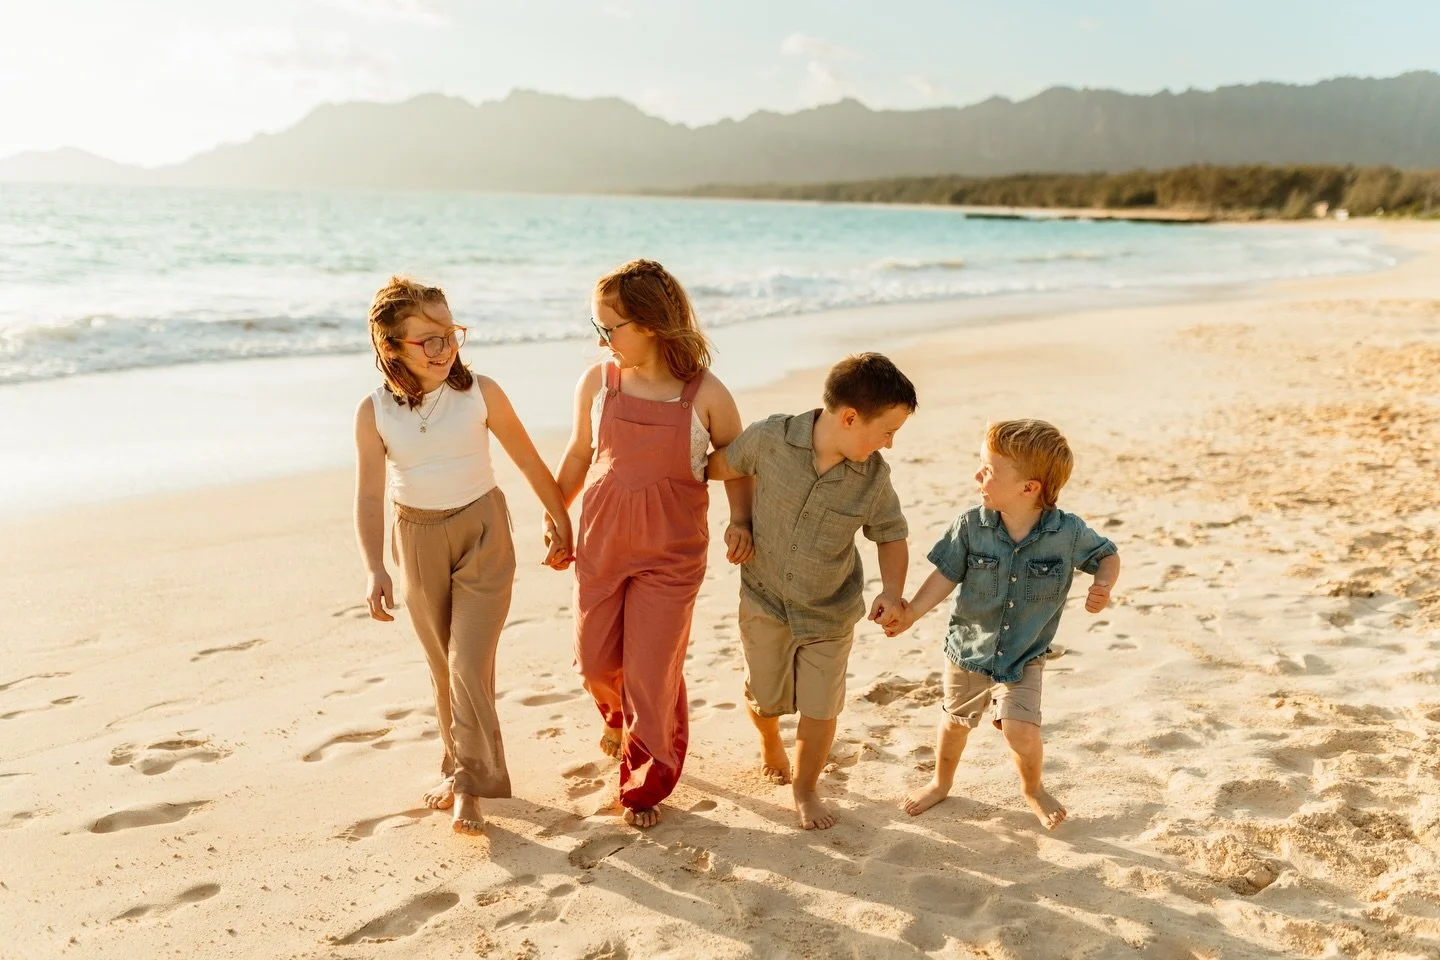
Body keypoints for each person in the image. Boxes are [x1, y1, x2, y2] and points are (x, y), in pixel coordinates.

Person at [353, 275, 573, 836]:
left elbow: (525, 459)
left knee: (467, 661)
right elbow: (369, 494)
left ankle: (470, 786)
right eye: (428, 339)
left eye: (451, 333)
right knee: (441, 665)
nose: (445, 348)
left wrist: (559, 515)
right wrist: (374, 565)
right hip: (416, 539)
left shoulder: (481, 392)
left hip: (483, 531)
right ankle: (455, 764)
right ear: (391, 347)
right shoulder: (374, 412)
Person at [553, 259, 748, 829]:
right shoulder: (598, 382)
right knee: (595, 660)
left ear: (651, 324)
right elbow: (577, 453)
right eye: (597, 328)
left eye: (609, 328)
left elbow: (738, 464)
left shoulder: (705, 394)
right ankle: (614, 716)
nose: (601, 340)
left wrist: (742, 522)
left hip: (672, 554)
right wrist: (555, 515)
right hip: (601, 544)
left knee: (651, 670)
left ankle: (645, 784)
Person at [707, 352, 915, 830]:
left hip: (831, 610)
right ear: (848, 417)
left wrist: (893, 590)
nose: (890, 444)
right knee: (764, 695)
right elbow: (721, 465)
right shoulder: (769, 438)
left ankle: (806, 787)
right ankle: (768, 741)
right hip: (764, 597)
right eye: (887, 431)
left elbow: (891, 533)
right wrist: (737, 519)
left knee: (822, 706)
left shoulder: (873, 478)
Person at [885, 419, 1120, 830]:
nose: (978, 476)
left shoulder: (1067, 533)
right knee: (955, 723)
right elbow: (943, 576)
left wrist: (1103, 584)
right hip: (969, 649)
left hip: (1025, 653)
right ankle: (940, 783)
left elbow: (1107, 555)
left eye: (988, 470)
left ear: (1029, 488)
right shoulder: (971, 526)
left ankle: (1033, 789)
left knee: (1020, 730)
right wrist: (909, 614)